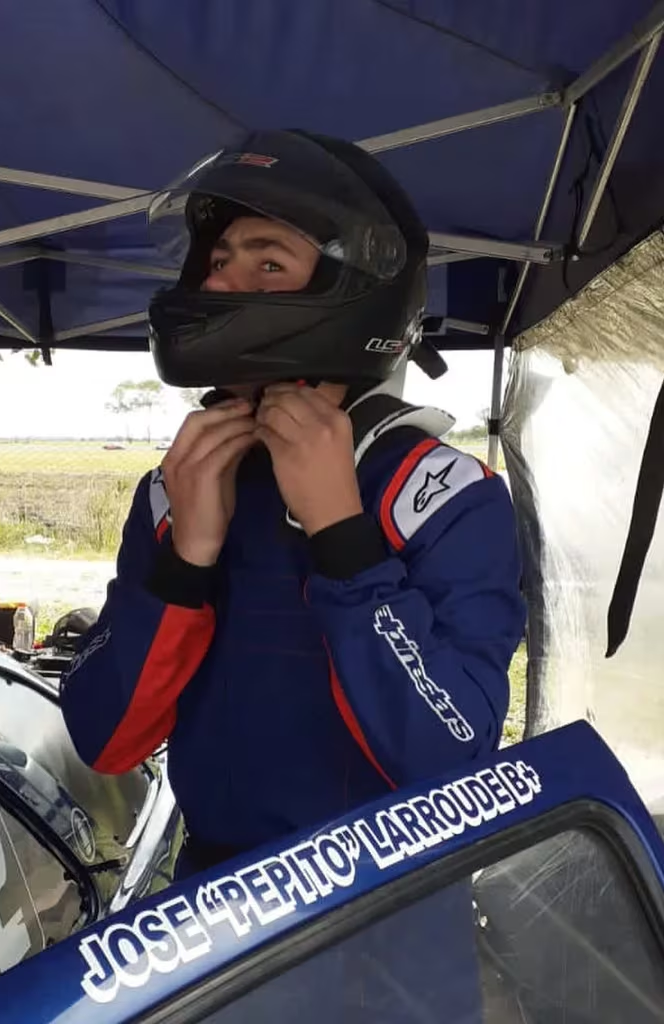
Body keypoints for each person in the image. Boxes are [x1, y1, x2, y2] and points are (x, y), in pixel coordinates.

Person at [60, 128, 526, 884]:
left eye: (267, 263)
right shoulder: (177, 488)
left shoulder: (440, 494)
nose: (219, 286)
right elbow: (104, 738)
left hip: (389, 909)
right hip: (220, 906)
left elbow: (452, 759)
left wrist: (344, 539)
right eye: (218, 262)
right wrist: (185, 565)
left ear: (353, 294)